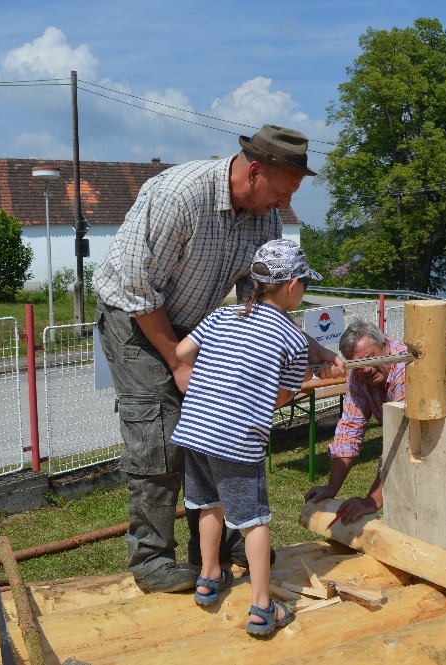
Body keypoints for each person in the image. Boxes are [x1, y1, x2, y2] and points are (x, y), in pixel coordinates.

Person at [93, 124, 344, 593]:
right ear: (254, 172)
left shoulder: (265, 220)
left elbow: (264, 310)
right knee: (160, 434)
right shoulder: (180, 196)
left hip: (195, 323)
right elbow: (137, 288)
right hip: (135, 318)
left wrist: (315, 351)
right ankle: (151, 559)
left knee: (213, 430)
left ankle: (217, 542)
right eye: (283, 192)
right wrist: (177, 361)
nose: (283, 205)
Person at [172, 239, 319, 636]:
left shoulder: (222, 317)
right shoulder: (292, 339)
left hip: (196, 428)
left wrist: (220, 375)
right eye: (304, 282)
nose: (304, 289)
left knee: (207, 504)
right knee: (254, 520)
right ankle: (261, 606)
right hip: (237, 437)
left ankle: (208, 576)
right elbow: (284, 396)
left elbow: (184, 352)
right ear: (290, 286)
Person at [304, 319, 446, 547]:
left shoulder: (407, 367)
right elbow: (348, 431)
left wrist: (372, 501)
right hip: (445, 432)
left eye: (371, 358)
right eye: (357, 363)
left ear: (385, 345)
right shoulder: (358, 377)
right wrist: (332, 488)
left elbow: (401, 443)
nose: (365, 368)